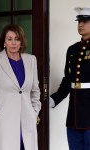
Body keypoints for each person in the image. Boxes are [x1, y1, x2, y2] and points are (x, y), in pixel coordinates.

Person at [0, 24, 41, 150]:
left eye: (17, 39)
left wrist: (34, 112)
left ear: (21, 41)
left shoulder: (31, 60)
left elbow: (35, 91)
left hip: (27, 122)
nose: (13, 43)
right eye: (9, 39)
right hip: (4, 123)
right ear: (4, 41)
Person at [50, 7, 90, 150]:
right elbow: (68, 79)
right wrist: (54, 99)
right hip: (74, 115)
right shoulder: (72, 49)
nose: (80, 24)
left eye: (85, 21)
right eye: (79, 21)